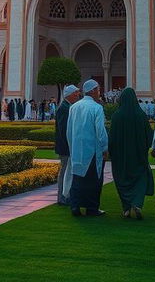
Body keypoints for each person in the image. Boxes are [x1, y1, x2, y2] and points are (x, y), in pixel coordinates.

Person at [108, 86, 154, 219]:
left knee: (122, 179)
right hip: (138, 156)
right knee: (139, 178)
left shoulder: (117, 116)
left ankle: (126, 208)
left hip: (120, 158)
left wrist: (111, 152)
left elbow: (112, 137)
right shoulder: (141, 115)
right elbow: (149, 136)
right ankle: (137, 204)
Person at [66, 79, 108, 217]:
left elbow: (69, 131)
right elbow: (100, 131)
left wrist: (72, 147)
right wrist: (104, 147)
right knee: (93, 180)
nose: (99, 92)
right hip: (92, 151)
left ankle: (75, 206)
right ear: (93, 91)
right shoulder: (97, 108)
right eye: (98, 89)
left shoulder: (74, 107)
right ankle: (92, 208)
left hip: (77, 150)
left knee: (78, 179)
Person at [54, 84, 80, 205]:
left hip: (67, 146)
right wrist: (70, 145)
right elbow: (63, 130)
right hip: (65, 147)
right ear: (69, 95)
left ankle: (67, 195)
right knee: (64, 171)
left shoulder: (68, 106)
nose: (77, 95)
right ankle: (61, 197)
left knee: (68, 171)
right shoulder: (64, 108)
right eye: (75, 93)